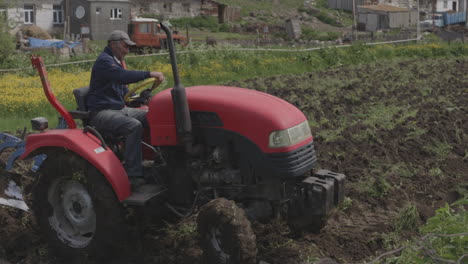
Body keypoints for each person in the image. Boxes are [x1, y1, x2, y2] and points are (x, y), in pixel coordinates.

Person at [86, 30, 164, 184]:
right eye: (125, 46)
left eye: (129, 47)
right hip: (102, 112)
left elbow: (123, 90)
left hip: (119, 109)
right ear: (114, 44)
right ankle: (133, 173)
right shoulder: (105, 61)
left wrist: (138, 98)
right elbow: (123, 76)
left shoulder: (115, 61)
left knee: (154, 116)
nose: (128, 50)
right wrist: (149, 73)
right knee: (133, 126)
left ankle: (160, 159)